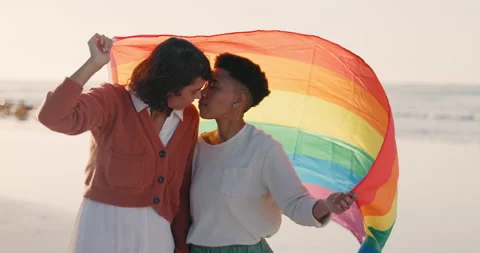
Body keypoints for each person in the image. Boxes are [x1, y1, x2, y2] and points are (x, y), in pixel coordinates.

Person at [36, 33, 211, 253]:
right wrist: (93, 64)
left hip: (157, 234)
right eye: (194, 91)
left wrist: (181, 245)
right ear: (170, 85)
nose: (197, 97)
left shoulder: (188, 118)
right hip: (104, 230)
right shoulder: (112, 101)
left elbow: (182, 186)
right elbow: (52, 117)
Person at [186, 53, 358, 253]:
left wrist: (327, 206)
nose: (202, 93)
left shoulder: (263, 148)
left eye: (213, 86)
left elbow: (295, 203)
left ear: (238, 100)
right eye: (206, 85)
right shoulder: (197, 146)